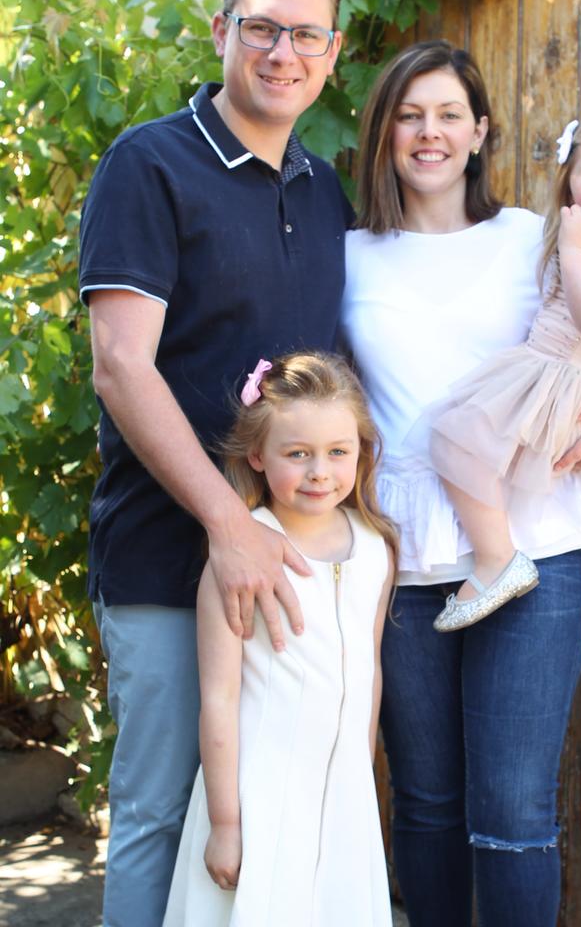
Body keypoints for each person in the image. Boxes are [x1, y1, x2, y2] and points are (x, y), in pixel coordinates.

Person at [340, 41, 581, 927]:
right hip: (407, 565)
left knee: (515, 817)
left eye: (450, 113)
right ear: (382, 133)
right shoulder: (346, 256)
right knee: (425, 803)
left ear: (482, 130)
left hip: (537, 548)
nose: (430, 132)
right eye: (409, 114)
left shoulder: (534, 238)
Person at [78, 0, 352, 927]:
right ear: (222, 32)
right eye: (264, 26)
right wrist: (228, 527)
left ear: (332, 49)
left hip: (288, 564)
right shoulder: (149, 163)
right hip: (165, 554)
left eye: (306, 34)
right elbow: (121, 364)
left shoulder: (326, 189)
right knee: (160, 809)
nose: (284, 52)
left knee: (261, 812)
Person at [417, 104, 581, 631]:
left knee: (457, 436)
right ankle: (498, 556)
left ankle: (499, 561)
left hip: (575, 383)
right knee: (455, 439)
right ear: (570, 189)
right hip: (547, 370)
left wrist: (574, 251)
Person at [162, 352, 396, 927]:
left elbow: (369, 669)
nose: (321, 471)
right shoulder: (242, 553)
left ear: (361, 451)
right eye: (298, 454)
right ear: (257, 457)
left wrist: (358, 777)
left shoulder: (375, 546)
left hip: (341, 793)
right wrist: (226, 825)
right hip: (259, 795)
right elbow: (218, 696)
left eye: (338, 452)